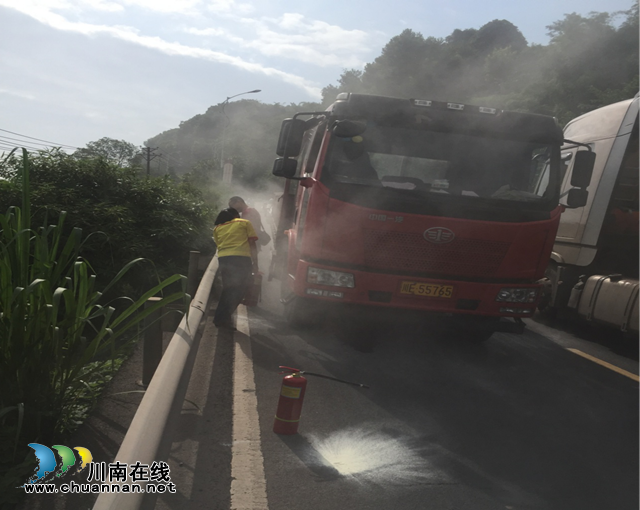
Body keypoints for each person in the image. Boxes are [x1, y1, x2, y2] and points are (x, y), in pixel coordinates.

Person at [212, 207, 259, 330]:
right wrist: (256, 264)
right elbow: (252, 245)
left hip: (224, 259)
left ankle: (221, 318)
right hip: (241, 260)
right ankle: (222, 318)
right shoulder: (244, 223)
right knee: (240, 290)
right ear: (236, 215)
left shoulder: (217, 228)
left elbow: (218, 245)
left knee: (228, 289)